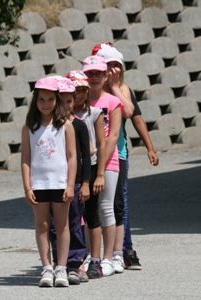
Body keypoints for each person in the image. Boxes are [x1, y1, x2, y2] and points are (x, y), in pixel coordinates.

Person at [92, 42, 159, 271]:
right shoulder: (94, 89)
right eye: (108, 66)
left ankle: (124, 250)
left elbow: (133, 114)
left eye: (116, 65)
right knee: (97, 204)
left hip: (118, 153)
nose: (113, 70)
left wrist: (150, 147)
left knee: (119, 203)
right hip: (94, 153)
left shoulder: (123, 90)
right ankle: (96, 252)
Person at [21, 76, 77, 287]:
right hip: (39, 184)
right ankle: (46, 267)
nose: (46, 104)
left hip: (61, 183)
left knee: (62, 225)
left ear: (57, 101)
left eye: (50, 99)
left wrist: (70, 184)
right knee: (42, 225)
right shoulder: (29, 128)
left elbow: (72, 157)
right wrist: (27, 187)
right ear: (35, 101)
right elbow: (26, 159)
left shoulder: (66, 126)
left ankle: (61, 268)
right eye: (41, 99)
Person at [48, 76, 91, 285]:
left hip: (72, 183)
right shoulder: (51, 126)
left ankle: (75, 263)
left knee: (74, 222)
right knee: (55, 225)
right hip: (53, 182)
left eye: (69, 101)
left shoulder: (79, 126)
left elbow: (84, 157)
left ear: (74, 102)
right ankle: (59, 262)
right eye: (61, 101)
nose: (65, 106)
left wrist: (84, 183)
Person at [82, 55, 122, 276]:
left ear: (106, 76)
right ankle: (91, 253)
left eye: (98, 73)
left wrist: (100, 167)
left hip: (108, 160)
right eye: (90, 73)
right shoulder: (79, 100)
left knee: (106, 207)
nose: (94, 77)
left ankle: (109, 257)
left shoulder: (112, 102)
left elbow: (113, 135)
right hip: (85, 161)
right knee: (87, 210)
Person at [67, 69, 107, 279]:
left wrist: (100, 174)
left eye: (82, 90)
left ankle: (96, 260)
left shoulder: (94, 114)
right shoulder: (64, 116)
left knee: (92, 214)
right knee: (73, 217)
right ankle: (75, 259)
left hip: (90, 167)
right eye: (75, 91)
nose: (79, 95)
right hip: (69, 169)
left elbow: (101, 144)